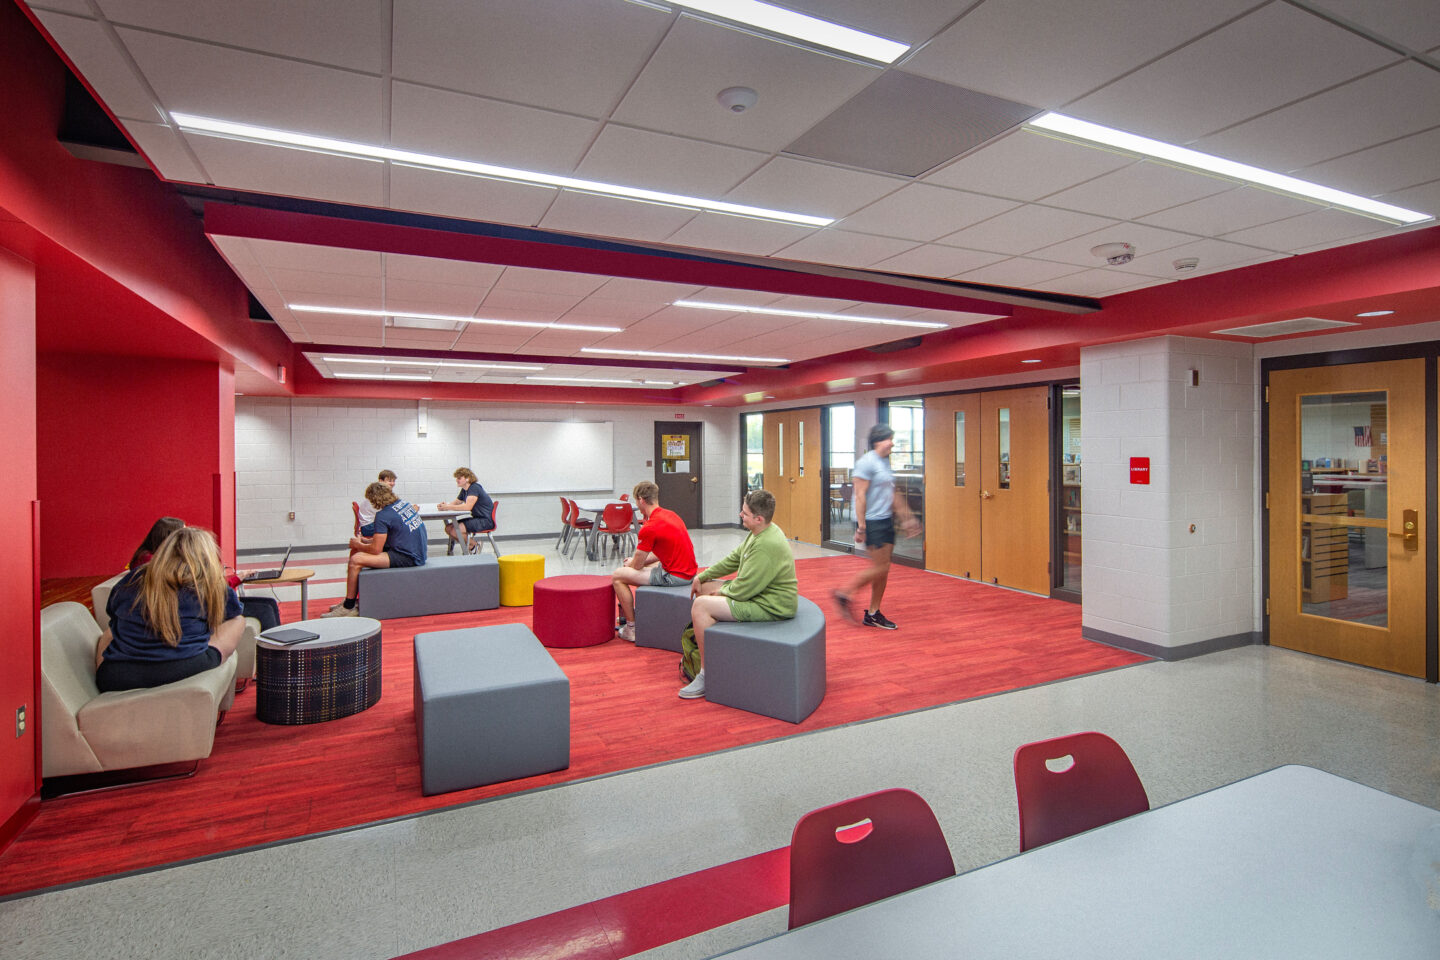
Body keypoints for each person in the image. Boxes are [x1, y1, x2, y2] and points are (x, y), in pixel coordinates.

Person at [679, 489, 798, 700]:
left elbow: (744, 589)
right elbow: (735, 559)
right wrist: (704, 576)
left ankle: (706, 674)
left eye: (744, 513)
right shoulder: (760, 532)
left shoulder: (766, 545)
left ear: (758, 518)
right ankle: (713, 646)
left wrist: (721, 592)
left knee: (701, 605)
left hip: (771, 605)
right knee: (704, 587)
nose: (740, 515)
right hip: (758, 593)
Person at [95, 526, 245, 691]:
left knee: (107, 634)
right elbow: (232, 612)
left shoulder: (133, 578)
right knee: (238, 620)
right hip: (183, 667)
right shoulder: (210, 585)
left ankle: (101, 679)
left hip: (117, 675)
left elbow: (112, 611)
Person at [832, 423, 920, 630]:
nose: (892, 442)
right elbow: (860, 495)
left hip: (885, 518)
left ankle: (873, 612)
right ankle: (844, 593)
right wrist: (861, 526)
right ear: (878, 441)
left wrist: (907, 518)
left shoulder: (884, 462)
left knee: (884, 568)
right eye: (889, 438)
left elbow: (892, 492)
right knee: (880, 567)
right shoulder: (866, 463)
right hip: (871, 520)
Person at [611, 481, 698, 642]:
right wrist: (637, 562)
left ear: (641, 500)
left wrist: (631, 563)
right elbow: (661, 553)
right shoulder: (671, 515)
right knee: (642, 567)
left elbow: (636, 565)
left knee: (618, 575)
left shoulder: (650, 526)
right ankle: (643, 611)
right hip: (689, 571)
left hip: (676, 576)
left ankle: (631, 628)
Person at [326, 482, 427, 616]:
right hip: (416, 550)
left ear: (375, 499)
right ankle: (350, 599)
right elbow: (394, 534)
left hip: (409, 557)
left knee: (356, 559)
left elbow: (375, 550)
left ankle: (348, 606)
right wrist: (366, 541)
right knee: (357, 552)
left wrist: (358, 544)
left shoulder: (383, 515)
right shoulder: (405, 505)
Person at [438, 467, 493, 555]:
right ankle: (472, 545)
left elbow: (467, 507)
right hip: (477, 518)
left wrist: (448, 507)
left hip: (485, 521)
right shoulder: (465, 490)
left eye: (459, 478)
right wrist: (445, 505)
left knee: (455, 531)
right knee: (448, 528)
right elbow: (456, 502)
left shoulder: (474, 488)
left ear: (467, 478)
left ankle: (473, 546)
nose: (457, 480)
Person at [355, 469, 397, 540]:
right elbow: (388, 513)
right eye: (389, 481)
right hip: (369, 527)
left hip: (369, 524)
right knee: (398, 527)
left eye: (393, 481)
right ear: (381, 481)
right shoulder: (378, 494)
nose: (392, 483)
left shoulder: (380, 492)